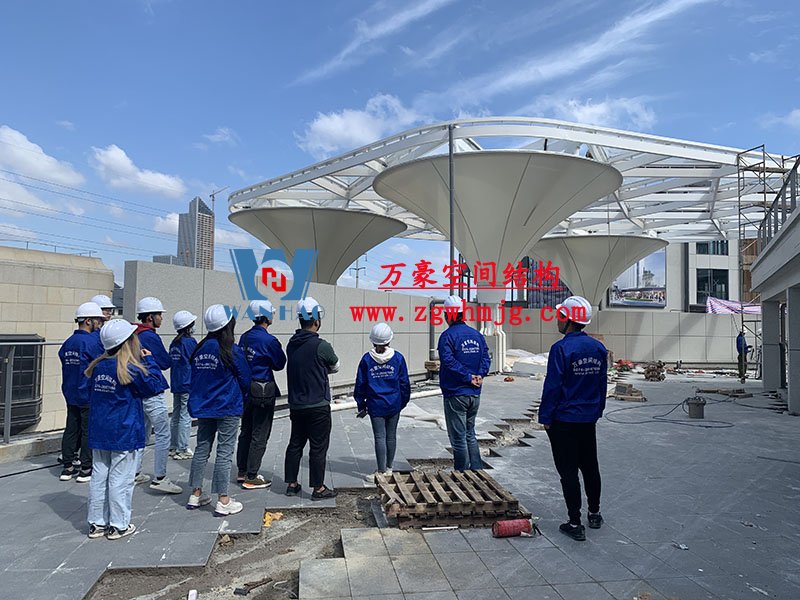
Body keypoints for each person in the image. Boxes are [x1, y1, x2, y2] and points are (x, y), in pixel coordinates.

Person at [85, 319, 163, 540]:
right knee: (121, 479)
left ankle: (97, 523)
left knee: (99, 476)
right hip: (124, 431)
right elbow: (155, 386)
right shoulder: (130, 368)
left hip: (100, 430)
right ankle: (119, 525)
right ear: (128, 342)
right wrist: (150, 361)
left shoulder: (98, 367)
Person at [538, 295, 608, 542]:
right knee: (590, 467)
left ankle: (575, 522)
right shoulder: (598, 348)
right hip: (588, 419)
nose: (557, 320)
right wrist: (597, 410)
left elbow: (553, 386)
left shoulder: (561, 349)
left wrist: (545, 417)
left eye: (560, 316)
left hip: (564, 420)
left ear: (568, 320)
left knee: (568, 471)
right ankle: (595, 513)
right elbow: (602, 384)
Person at [186, 305, 251, 516]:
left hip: (204, 407)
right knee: (224, 452)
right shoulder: (230, 349)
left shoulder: (200, 349)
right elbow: (245, 378)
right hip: (227, 406)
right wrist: (243, 397)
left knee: (202, 448)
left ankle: (195, 493)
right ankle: (223, 500)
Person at [284, 297, 339, 500]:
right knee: (318, 447)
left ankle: (291, 484)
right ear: (316, 320)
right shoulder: (321, 345)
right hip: (318, 404)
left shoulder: (291, 344)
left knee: (295, 443)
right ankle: (318, 488)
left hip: (296, 404)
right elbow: (335, 365)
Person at [437, 295, 491, 472]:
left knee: (459, 438)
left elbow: (448, 362)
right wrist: (479, 375)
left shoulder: (447, 336)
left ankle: (461, 474)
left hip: (456, 393)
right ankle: (476, 471)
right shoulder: (477, 335)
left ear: (448, 315)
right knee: (470, 434)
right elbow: (486, 357)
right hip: (474, 394)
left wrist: (468, 377)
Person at [133, 296, 181, 494]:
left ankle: (135, 472)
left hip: (137, 391)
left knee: (142, 434)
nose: (161, 318)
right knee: (162, 433)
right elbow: (165, 362)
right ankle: (160, 477)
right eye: (159, 315)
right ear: (150, 317)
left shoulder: (132, 334)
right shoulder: (150, 337)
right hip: (152, 389)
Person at [236, 300, 286, 490]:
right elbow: (279, 364)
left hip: (247, 389)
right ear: (265, 316)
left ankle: (242, 470)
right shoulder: (269, 340)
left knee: (246, 430)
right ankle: (252, 475)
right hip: (264, 391)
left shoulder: (244, 337)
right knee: (260, 432)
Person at [354, 323, 410, 481]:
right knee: (391, 436)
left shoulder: (367, 359)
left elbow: (360, 384)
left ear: (372, 340)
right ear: (389, 339)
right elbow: (405, 383)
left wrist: (361, 405)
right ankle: (389, 468)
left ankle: (381, 470)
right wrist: (402, 402)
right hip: (394, 402)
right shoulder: (398, 358)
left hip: (375, 404)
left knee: (379, 437)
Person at [58, 302, 106, 483]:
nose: (99, 324)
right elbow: (102, 360)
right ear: (88, 321)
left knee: (71, 429)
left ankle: (68, 466)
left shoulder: (69, 342)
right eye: (98, 321)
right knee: (87, 431)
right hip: (87, 392)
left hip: (70, 392)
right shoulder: (92, 342)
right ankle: (86, 468)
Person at [169, 310, 198, 460]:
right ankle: (183, 448)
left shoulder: (174, 342)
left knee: (176, 415)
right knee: (185, 416)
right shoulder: (190, 342)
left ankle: (173, 446)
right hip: (187, 382)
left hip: (176, 382)